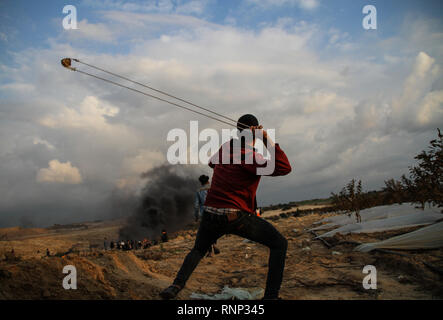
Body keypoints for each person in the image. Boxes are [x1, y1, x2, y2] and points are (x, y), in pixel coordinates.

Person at [160, 114, 292, 300]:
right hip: (235, 216)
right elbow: (284, 167)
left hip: (210, 213)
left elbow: (212, 162)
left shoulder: (225, 148)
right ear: (254, 134)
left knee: (198, 250)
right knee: (279, 244)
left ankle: (175, 286)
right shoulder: (250, 157)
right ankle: (271, 297)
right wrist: (266, 139)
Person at [194, 174, 220, 257]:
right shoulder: (214, 189)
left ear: (201, 183)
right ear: (208, 181)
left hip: (204, 213)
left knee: (206, 232)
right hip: (214, 211)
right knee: (215, 229)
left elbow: (196, 205)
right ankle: (214, 244)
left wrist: (196, 216)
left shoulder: (198, 191)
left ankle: (210, 252)